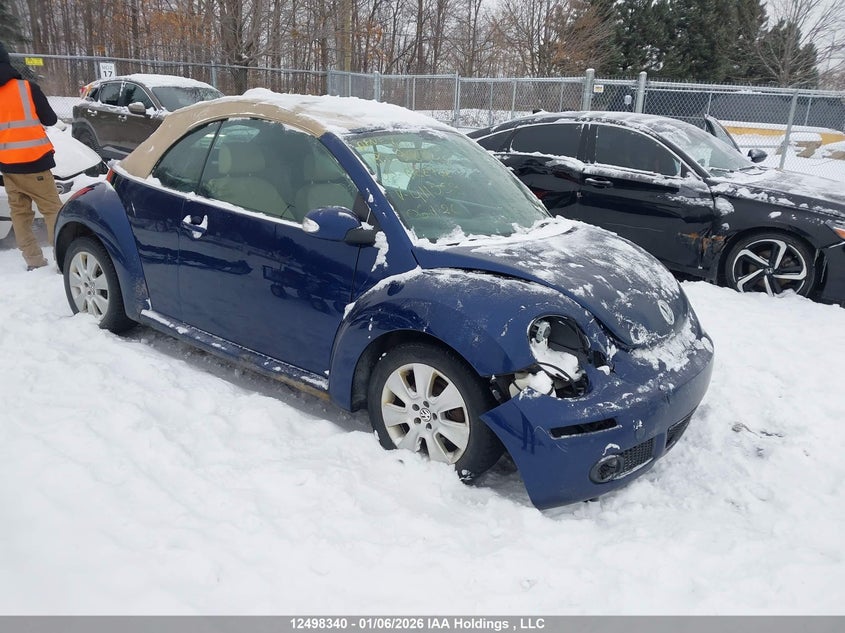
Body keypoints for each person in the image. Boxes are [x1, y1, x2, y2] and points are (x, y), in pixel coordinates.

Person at [0, 40, 62, 270]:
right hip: (35, 163)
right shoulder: (27, 88)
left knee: (20, 215)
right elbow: (51, 119)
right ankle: (63, 257)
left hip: (8, 166)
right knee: (53, 210)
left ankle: (34, 261)